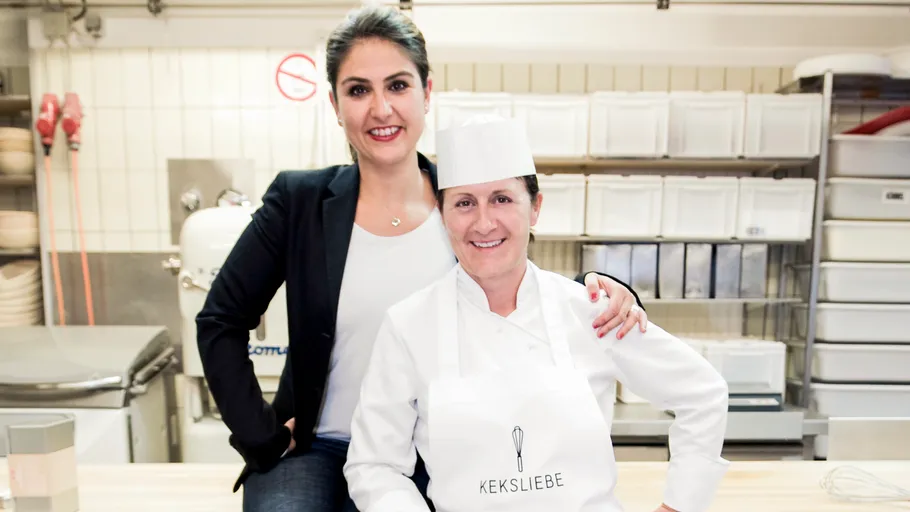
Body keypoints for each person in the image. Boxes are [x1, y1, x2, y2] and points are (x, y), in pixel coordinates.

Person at [194, 5, 649, 512]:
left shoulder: (464, 199)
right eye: (358, 89)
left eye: (398, 85)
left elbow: (521, 289)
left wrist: (599, 286)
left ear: (427, 93)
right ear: (335, 103)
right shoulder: (298, 202)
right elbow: (220, 320)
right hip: (319, 446)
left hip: (444, 447)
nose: (381, 108)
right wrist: (261, 435)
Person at [343, 115, 731, 512]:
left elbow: (703, 394)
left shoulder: (593, 311)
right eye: (464, 203)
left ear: (535, 209)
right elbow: (374, 465)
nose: (484, 222)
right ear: (443, 216)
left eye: (502, 199)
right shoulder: (409, 325)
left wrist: (680, 505)